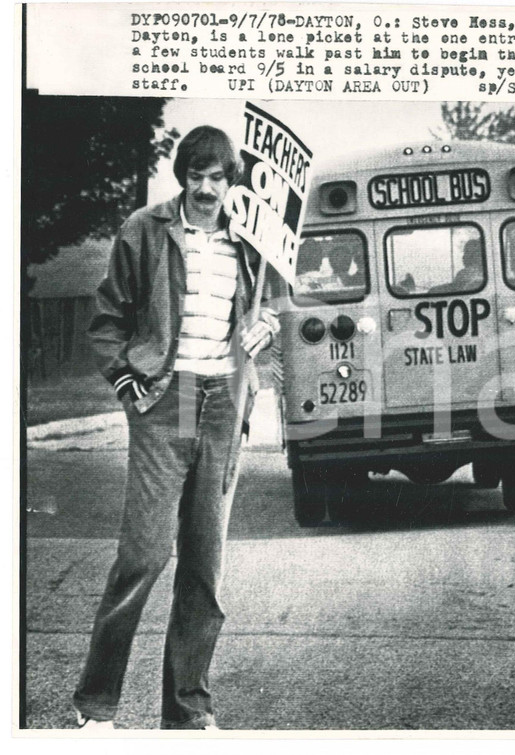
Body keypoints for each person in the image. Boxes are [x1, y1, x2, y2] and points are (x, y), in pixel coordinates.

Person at [75, 126, 279, 730]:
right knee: (143, 555)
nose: (208, 188)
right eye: (198, 176)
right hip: (169, 399)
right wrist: (124, 380)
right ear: (184, 177)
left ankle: (188, 712)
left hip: (221, 401)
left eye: (219, 178)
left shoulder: (247, 240)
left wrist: (263, 324)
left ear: (231, 183)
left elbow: (267, 307)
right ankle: (96, 709)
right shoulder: (145, 229)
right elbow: (108, 318)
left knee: (203, 566)